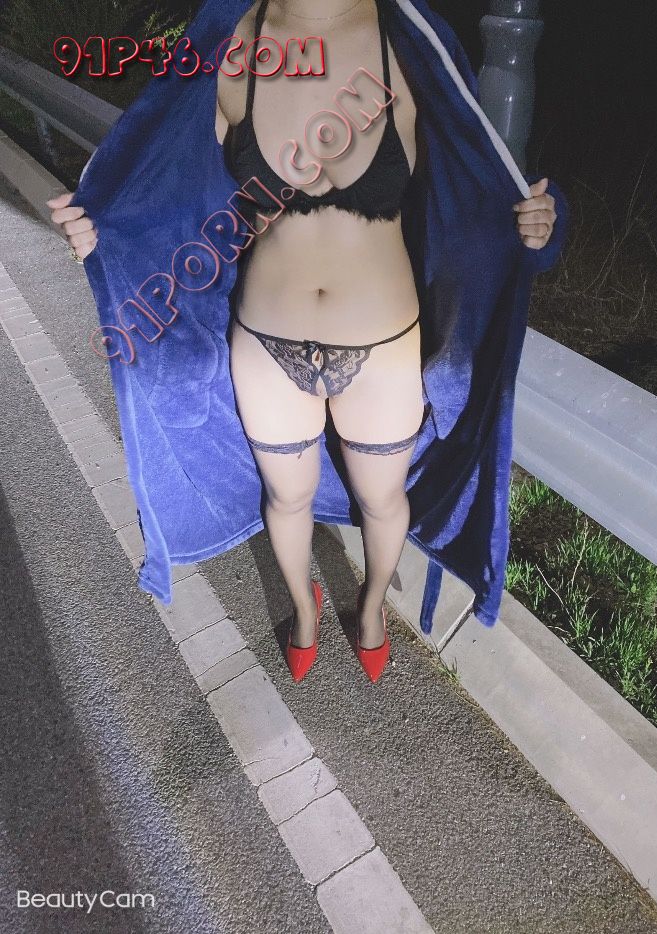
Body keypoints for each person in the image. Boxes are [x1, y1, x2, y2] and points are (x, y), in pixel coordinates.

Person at [48, 0, 558, 683]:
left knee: (383, 501)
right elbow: (167, 182)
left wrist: (537, 221)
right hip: (266, 343)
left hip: (383, 347)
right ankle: (305, 609)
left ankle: (371, 609)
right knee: (285, 499)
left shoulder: (409, 48)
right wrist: (102, 230)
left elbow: (475, 187)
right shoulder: (233, 48)